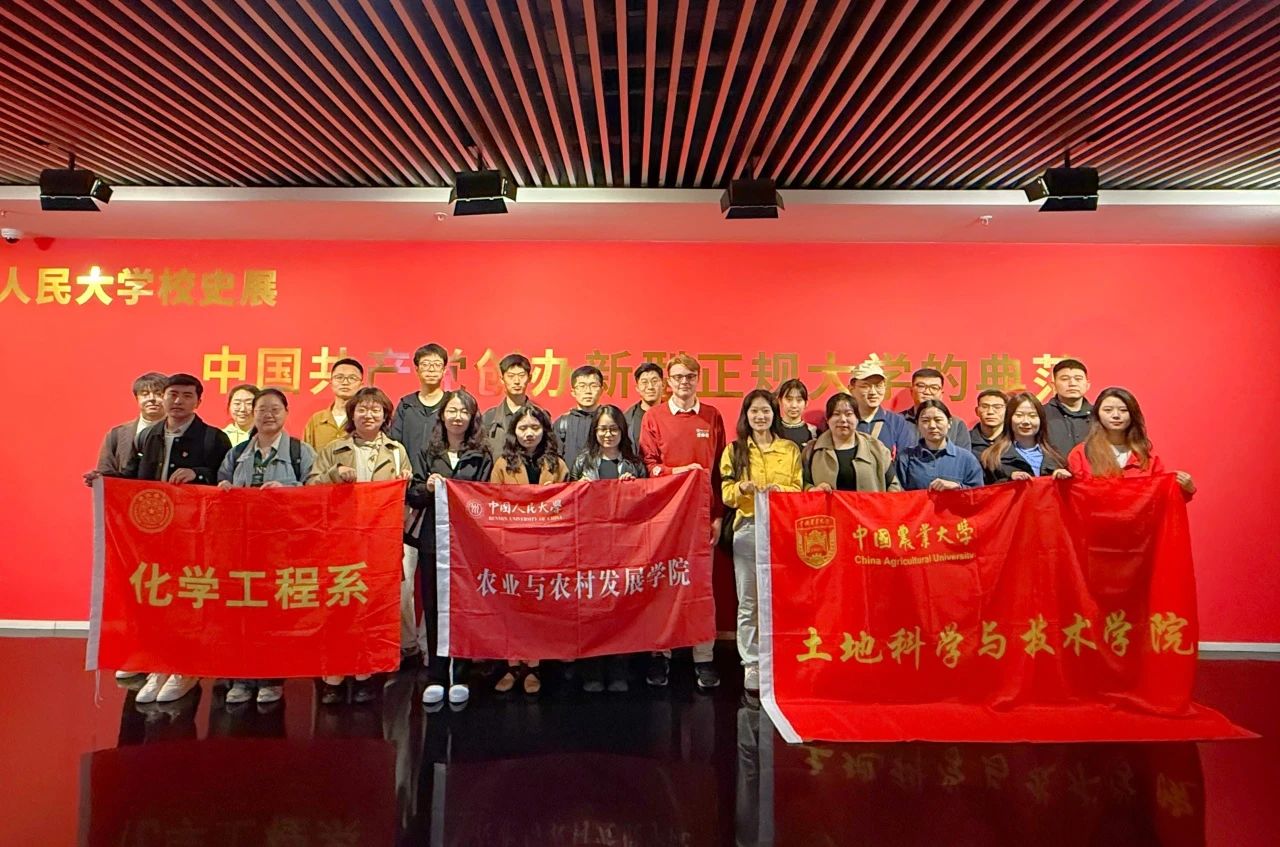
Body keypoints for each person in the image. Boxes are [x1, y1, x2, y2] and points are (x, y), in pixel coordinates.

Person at [89, 373, 233, 705]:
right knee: (157, 598)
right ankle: (158, 664)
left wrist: (198, 475)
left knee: (189, 601)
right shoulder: (149, 435)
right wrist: (105, 480)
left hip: (195, 534)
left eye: (186, 395)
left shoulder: (213, 438)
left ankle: (185, 668)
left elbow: (225, 480)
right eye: (173, 394)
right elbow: (133, 479)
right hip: (154, 534)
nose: (177, 401)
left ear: (199, 401)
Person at [308, 386, 412, 705]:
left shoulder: (397, 451)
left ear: (385, 416)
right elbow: (310, 488)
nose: (369, 415)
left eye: (375, 410)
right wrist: (333, 474)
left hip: (379, 542)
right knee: (338, 605)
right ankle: (334, 675)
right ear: (352, 414)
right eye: (362, 409)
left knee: (372, 606)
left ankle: (365, 672)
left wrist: (406, 481)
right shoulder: (333, 449)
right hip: (340, 540)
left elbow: (404, 500)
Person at [215, 388, 316, 707]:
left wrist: (288, 489)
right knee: (242, 612)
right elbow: (220, 488)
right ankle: (242, 678)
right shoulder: (237, 453)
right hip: (242, 546)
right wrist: (224, 489)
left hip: (282, 547)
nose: (268, 415)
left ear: (286, 413)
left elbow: (317, 494)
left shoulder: (300, 452)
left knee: (275, 614)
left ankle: (271, 678)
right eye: (261, 409)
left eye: (275, 409)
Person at [638, 354, 726, 690]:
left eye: (689, 376)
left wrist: (718, 515)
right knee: (663, 585)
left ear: (697, 379)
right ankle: (660, 655)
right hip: (665, 519)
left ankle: (704, 658)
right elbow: (649, 466)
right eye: (677, 377)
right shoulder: (654, 417)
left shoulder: (712, 416)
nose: (683, 382)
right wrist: (680, 472)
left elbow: (719, 473)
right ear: (668, 382)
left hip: (702, 517)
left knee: (701, 588)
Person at [406, 389, 492, 708]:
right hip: (433, 541)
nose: (457, 417)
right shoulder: (427, 452)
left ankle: (461, 675)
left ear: (472, 418)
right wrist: (428, 489)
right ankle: (436, 675)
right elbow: (412, 493)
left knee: (465, 608)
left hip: (468, 543)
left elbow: (485, 495)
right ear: (442, 415)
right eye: (452, 411)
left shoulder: (482, 454)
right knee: (434, 606)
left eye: (464, 412)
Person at [719, 390, 802, 694]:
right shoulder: (735, 450)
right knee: (749, 600)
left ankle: (780, 659)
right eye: (754, 411)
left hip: (782, 531)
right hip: (748, 529)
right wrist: (741, 488)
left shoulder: (790, 449)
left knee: (783, 597)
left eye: (766, 411)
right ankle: (751, 662)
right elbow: (725, 494)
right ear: (746, 415)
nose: (760, 416)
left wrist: (781, 490)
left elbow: (798, 488)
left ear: (774, 414)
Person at [488, 405, 568, 696]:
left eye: (535, 428)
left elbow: (567, 504)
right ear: (514, 432)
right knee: (511, 607)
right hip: (511, 547)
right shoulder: (502, 464)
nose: (529, 433)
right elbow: (491, 504)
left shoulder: (557, 465)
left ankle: (533, 665)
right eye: (523, 428)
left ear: (544, 431)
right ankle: (512, 665)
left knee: (537, 607)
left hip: (546, 547)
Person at [569, 404, 647, 693]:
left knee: (621, 610)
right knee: (592, 610)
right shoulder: (583, 462)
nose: (608, 434)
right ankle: (591, 670)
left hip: (625, 547)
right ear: (594, 432)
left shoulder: (634, 464)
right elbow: (566, 501)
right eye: (602, 429)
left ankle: (618, 670)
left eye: (613, 429)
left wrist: (635, 487)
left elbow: (649, 501)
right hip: (590, 545)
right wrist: (578, 487)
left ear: (622, 431)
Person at [391, 343, 449, 665]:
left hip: (443, 504)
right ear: (416, 369)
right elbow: (394, 446)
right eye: (425, 364)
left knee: (438, 582)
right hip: (408, 500)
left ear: (444, 369)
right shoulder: (406, 406)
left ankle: (432, 647)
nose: (430, 369)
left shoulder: (452, 405)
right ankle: (408, 644)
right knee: (405, 578)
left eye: (436, 364)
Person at [1067, 386, 1197, 497]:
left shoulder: (1147, 456)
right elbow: (1070, 500)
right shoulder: (1081, 454)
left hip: (1140, 520)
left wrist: (1186, 490)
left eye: (1123, 410)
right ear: (1097, 415)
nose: (1116, 415)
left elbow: (1162, 498)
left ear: (1133, 415)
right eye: (1108, 410)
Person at [803, 392, 902, 492]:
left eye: (849, 414)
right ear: (828, 419)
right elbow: (804, 483)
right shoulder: (812, 450)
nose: (843, 419)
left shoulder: (876, 448)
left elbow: (894, 485)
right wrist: (812, 489)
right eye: (836, 414)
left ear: (857, 418)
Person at [85, 371, 168, 485]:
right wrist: (98, 478)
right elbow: (106, 471)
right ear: (137, 398)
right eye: (145, 394)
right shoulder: (117, 434)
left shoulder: (181, 431)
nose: (151, 399)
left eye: (158, 394)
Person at [979, 392, 1072, 483]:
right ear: (1009, 419)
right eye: (1019, 415)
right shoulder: (992, 457)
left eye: (1032, 416)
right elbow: (988, 491)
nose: (1026, 421)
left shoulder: (1056, 456)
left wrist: (1062, 478)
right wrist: (1009, 481)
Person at [895, 400, 984, 491]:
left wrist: (959, 487)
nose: (932, 426)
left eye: (938, 420)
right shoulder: (906, 457)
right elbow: (898, 494)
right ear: (917, 424)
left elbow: (979, 494)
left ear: (949, 423)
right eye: (925, 421)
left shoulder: (966, 459)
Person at [480, 353, 543, 455]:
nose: (516, 381)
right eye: (511, 376)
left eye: (521, 376)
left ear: (529, 378)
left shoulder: (540, 416)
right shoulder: (489, 418)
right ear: (502, 379)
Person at [847, 362, 915, 456]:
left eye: (878, 386)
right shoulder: (843, 421)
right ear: (851, 389)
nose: (873, 392)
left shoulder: (896, 421)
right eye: (865, 386)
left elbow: (906, 458)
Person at [303, 357, 364, 450]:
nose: (345, 382)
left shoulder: (364, 419)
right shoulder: (316, 420)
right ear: (331, 383)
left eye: (352, 378)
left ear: (361, 385)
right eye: (339, 377)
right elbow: (305, 454)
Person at [901, 369, 971, 450]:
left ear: (941, 394)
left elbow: (963, 456)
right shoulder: (897, 421)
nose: (927, 392)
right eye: (921, 386)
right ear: (911, 391)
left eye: (934, 388)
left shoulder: (956, 425)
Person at [554, 365, 604, 469]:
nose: (588, 391)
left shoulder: (610, 420)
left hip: (603, 478)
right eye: (582, 386)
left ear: (601, 390)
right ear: (573, 392)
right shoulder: (562, 423)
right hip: (571, 478)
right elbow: (554, 459)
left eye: (593, 386)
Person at [1043, 358, 1093, 457]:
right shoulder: (1041, 414)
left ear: (1087, 385)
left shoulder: (1099, 415)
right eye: (1065, 379)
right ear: (1053, 385)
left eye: (1078, 379)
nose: (1072, 384)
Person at [624, 362, 664, 446]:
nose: (650, 387)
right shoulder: (627, 419)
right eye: (644, 382)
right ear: (637, 388)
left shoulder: (673, 415)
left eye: (654, 381)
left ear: (663, 385)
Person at [775, 378, 818, 449]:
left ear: (806, 403)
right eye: (789, 400)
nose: (794, 405)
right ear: (780, 401)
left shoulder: (813, 432)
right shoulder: (772, 430)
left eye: (799, 400)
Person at [969, 389, 1007, 460]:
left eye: (997, 407)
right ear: (977, 411)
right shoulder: (966, 440)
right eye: (984, 407)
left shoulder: (1014, 440)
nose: (990, 412)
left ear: (1007, 411)